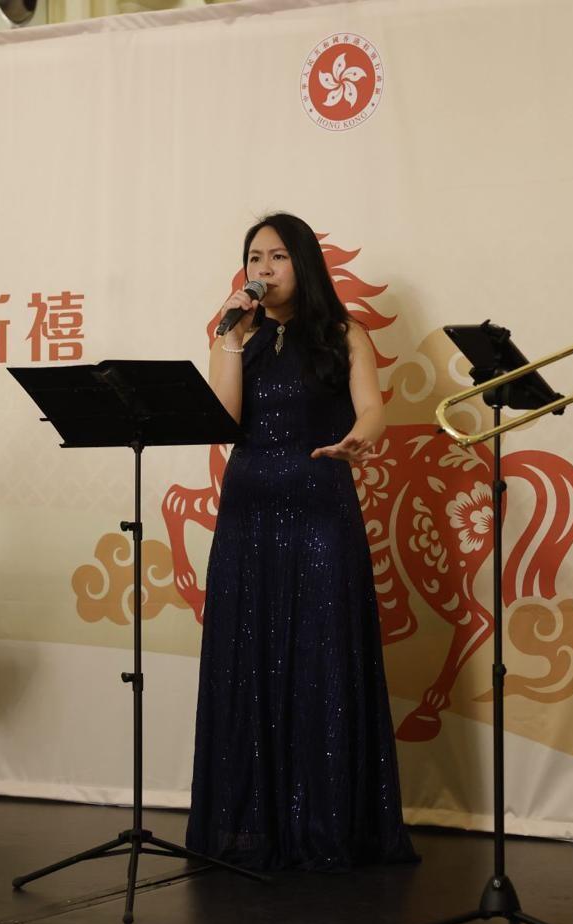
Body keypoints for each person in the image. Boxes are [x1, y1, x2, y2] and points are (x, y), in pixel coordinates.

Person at [185, 212, 417, 871]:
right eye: (254, 257)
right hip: (249, 509)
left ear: (305, 264)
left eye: (277, 256)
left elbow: (371, 406)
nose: (262, 268)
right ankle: (252, 826)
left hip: (319, 506)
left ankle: (327, 824)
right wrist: (226, 337)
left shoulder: (344, 332)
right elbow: (225, 421)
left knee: (321, 658)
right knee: (249, 656)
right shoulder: (236, 336)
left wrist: (361, 435)